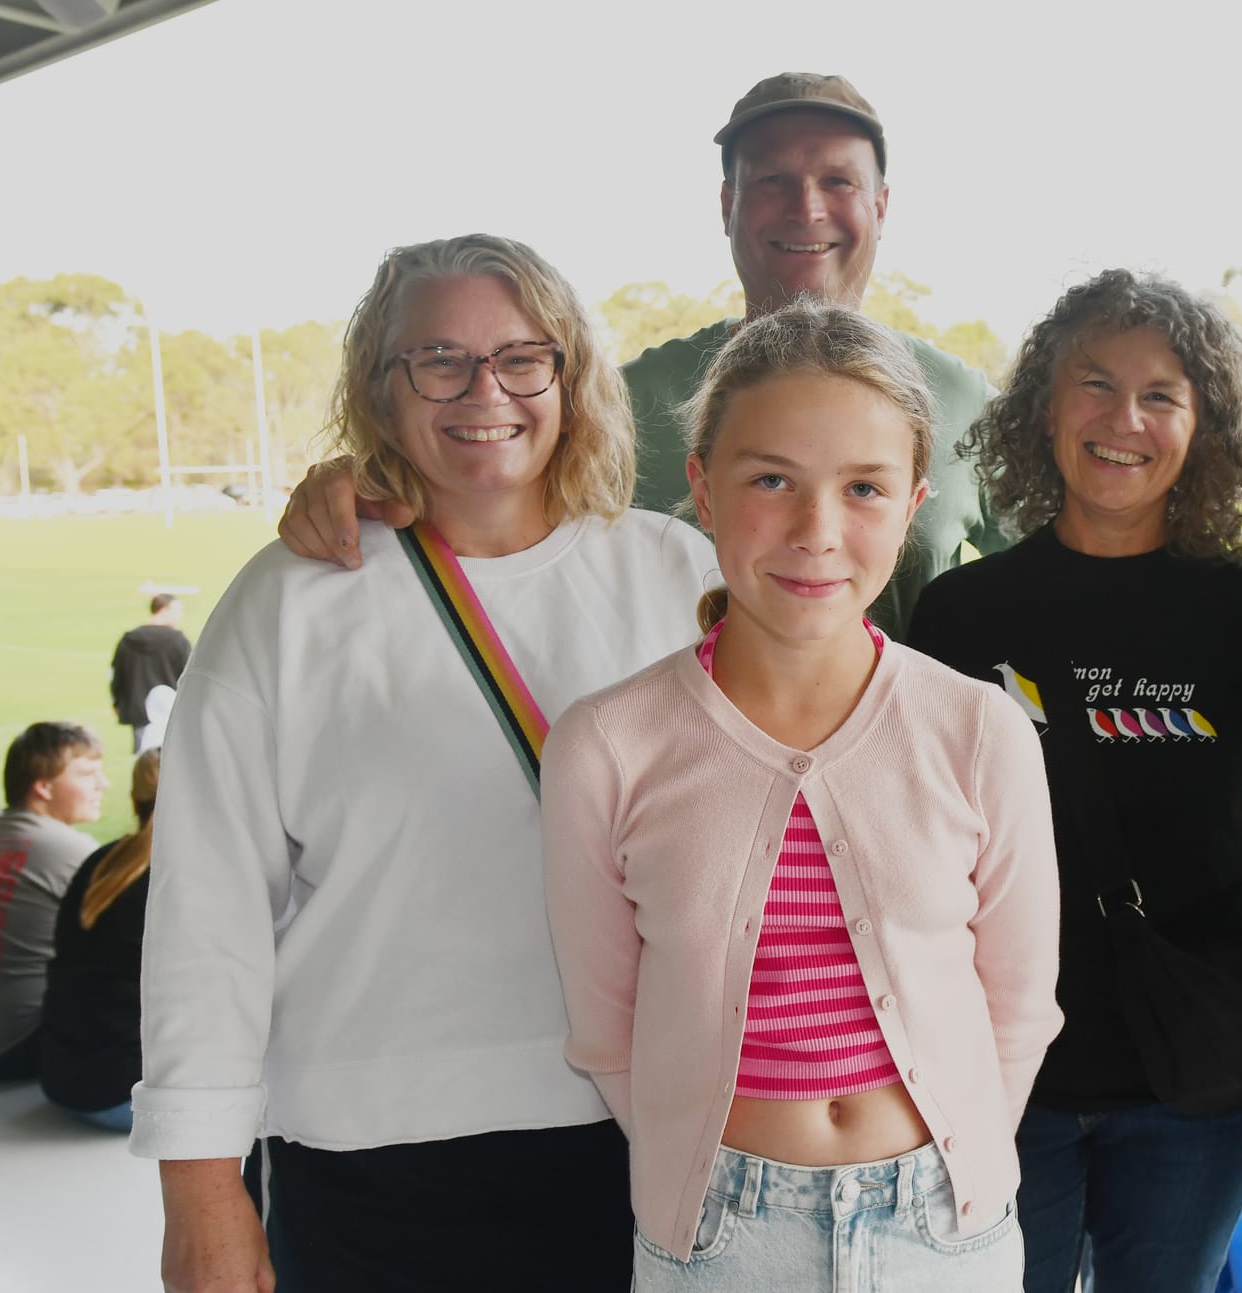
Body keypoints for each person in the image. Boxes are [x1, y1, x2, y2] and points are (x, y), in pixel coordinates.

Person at [130, 234, 718, 1293]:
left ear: (571, 375)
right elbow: (206, 916)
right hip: (371, 1156)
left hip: (645, 1138)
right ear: (380, 388)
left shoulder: (675, 573)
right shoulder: (289, 601)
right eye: (438, 360)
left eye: (521, 357)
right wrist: (201, 1189)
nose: (484, 390)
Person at [540, 298, 1061, 1291]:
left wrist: (960, 1177)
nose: (817, 531)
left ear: (912, 506)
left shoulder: (977, 729)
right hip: (720, 1241)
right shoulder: (607, 745)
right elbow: (607, 1032)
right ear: (702, 489)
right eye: (771, 479)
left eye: (863, 487)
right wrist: (702, 1184)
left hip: (944, 1232)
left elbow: (1018, 1006)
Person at [908, 270, 1242, 1293]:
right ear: (1043, 407)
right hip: (1005, 1064)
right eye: (1096, 384)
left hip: (1196, 1076)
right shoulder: (961, 614)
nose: (1125, 420)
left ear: (1204, 428)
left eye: (1161, 395)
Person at [276, 72, 1003, 635]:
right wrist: (359, 483)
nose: (807, 208)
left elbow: (1054, 569)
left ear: (881, 205)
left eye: (838, 181)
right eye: (772, 181)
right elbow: (476, 480)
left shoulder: (964, 399)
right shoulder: (617, 401)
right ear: (727, 205)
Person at [0, 722, 107, 1080]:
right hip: (13, 1047)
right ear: (43, 787)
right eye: (87, 774)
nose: (102, 784)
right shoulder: (72, 851)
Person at [39, 747, 162, 1130]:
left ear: (135, 799)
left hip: (62, 1079)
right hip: (127, 1096)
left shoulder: (102, 862)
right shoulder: (188, 877)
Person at [110, 593, 192, 752]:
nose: (180, 615)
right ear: (163, 610)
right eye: (177, 611)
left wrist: (117, 702)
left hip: (138, 709)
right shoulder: (177, 640)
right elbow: (188, 675)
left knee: (144, 756)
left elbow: (117, 674)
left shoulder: (129, 640)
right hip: (169, 710)